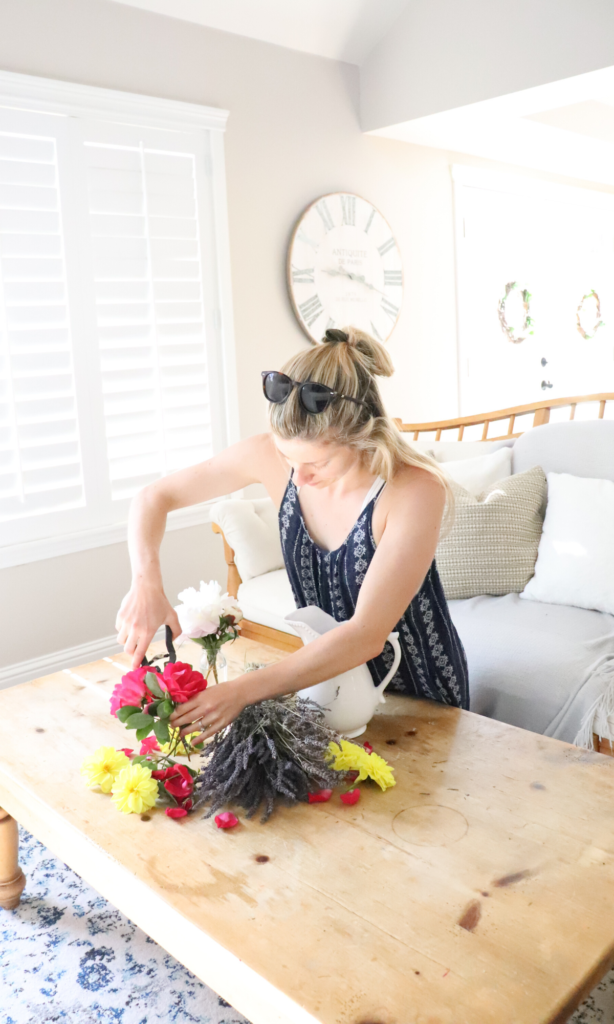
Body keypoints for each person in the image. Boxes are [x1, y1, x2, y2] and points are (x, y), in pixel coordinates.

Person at [115, 327, 469, 743]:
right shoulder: (266, 456)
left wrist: (242, 692)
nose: (297, 479)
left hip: (417, 698)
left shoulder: (414, 490)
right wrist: (145, 583)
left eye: (316, 462)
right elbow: (153, 498)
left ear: (362, 435)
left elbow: (366, 635)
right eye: (287, 457)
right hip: (324, 685)